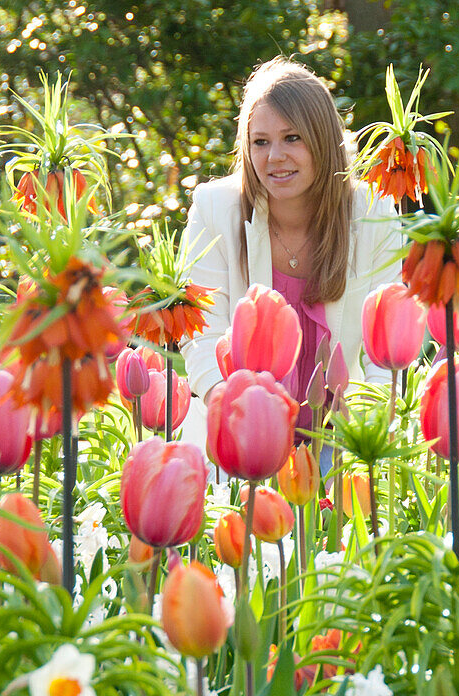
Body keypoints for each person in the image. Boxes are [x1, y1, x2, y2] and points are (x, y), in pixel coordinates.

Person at [179, 56, 403, 442]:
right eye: (260, 142)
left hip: (342, 441)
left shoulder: (372, 213)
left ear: (322, 138)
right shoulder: (215, 210)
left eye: (292, 138)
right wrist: (237, 418)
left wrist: (366, 431)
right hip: (240, 437)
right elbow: (200, 335)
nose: (274, 157)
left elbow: (388, 348)